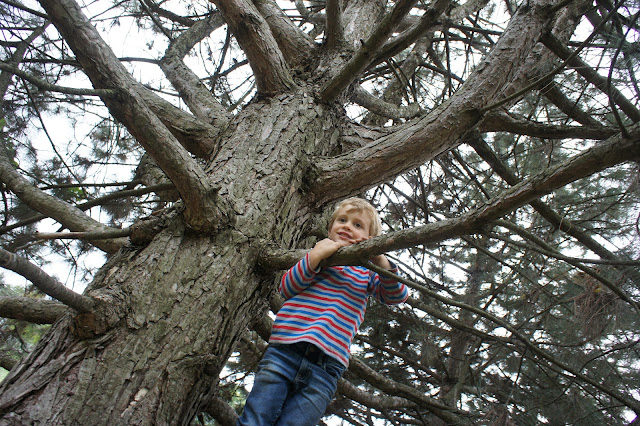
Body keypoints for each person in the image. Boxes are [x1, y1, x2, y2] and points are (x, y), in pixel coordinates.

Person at [237, 197, 409, 426]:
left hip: (326, 367)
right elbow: (287, 288)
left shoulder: (367, 272)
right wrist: (315, 256)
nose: (347, 226)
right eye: (342, 220)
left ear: (370, 238)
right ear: (330, 228)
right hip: (285, 351)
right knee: (255, 419)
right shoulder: (316, 258)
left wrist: (379, 258)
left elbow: (396, 295)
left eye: (358, 225)